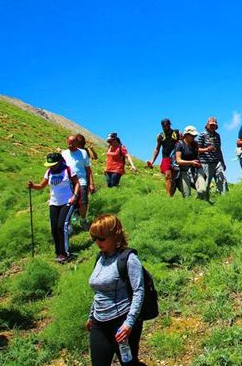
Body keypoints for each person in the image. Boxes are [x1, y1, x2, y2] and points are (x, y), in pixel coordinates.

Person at [87, 214, 145, 366]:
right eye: (95, 238)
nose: (98, 242)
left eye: (101, 238)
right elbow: (99, 291)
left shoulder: (129, 259)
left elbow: (138, 291)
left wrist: (129, 324)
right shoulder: (100, 258)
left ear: (114, 235)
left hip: (121, 321)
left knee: (129, 363)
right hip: (99, 323)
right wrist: (91, 314)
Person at [27, 153, 81, 263]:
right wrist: (33, 186)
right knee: (54, 228)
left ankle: (66, 253)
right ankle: (58, 252)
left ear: (60, 162)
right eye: (50, 164)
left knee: (62, 226)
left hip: (67, 202)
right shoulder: (49, 172)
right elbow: (41, 185)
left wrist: (74, 196)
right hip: (54, 203)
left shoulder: (68, 170)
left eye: (53, 164)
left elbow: (77, 183)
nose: (51, 166)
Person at [62, 134, 95, 229]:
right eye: (69, 144)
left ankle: (83, 220)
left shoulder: (83, 153)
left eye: (72, 144)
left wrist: (91, 183)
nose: (70, 146)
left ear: (77, 143)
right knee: (68, 203)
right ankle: (68, 224)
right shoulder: (64, 154)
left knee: (83, 202)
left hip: (81, 181)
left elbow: (88, 170)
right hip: (68, 182)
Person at [147, 119, 180, 196]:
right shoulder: (160, 136)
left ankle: (171, 196)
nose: (165, 127)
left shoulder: (176, 133)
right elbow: (157, 149)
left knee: (173, 179)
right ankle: (168, 197)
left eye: (167, 125)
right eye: (163, 125)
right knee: (168, 176)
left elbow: (182, 144)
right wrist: (152, 161)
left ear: (170, 125)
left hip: (175, 158)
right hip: (165, 158)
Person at [197, 117, 228, 195]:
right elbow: (197, 150)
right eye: (211, 125)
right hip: (206, 163)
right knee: (206, 185)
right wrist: (206, 149)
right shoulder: (202, 135)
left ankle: (225, 200)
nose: (212, 126)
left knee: (222, 181)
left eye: (214, 125)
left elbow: (219, 149)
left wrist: (222, 162)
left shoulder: (217, 135)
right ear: (207, 125)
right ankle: (204, 201)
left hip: (217, 162)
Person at [175, 126, 207, 200]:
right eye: (192, 135)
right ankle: (192, 208)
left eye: (195, 135)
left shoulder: (195, 144)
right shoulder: (180, 145)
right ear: (186, 135)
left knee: (202, 190)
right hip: (183, 171)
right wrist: (191, 162)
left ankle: (198, 202)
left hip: (196, 170)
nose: (194, 137)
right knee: (187, 195)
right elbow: (178, 160)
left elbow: (197, 156)